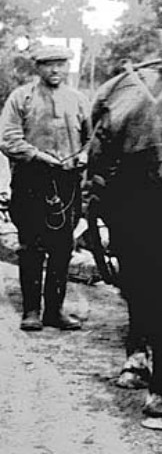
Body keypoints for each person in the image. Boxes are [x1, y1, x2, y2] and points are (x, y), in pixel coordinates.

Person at [0, 45, 91, 331]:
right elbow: (8, 138)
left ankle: (55, 310)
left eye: (60, 65)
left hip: (68, 182)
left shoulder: (78, 99)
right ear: (37, 68)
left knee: (63, 246)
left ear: (67, 68)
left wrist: (84, 155)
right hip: (31, 180)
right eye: (48, 65)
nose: (55, 70)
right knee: (31, 246)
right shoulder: (21, 97)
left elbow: (93, 137)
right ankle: (31, 311)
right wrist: (41, 157)